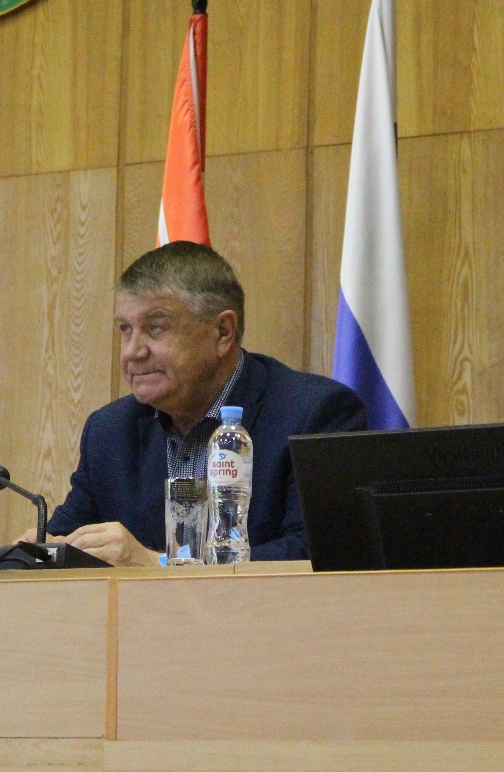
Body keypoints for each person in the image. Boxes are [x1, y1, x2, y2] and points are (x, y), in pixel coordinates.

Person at [21, 242, 367, 565]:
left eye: (155, 328)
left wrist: (159, 565)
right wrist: (38, 551)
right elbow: (66, 539)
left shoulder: (314, 414)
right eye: (126, 329)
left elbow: (316, 553)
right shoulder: (110, 431)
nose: (131, 352)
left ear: (222, 332)